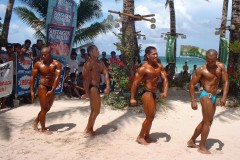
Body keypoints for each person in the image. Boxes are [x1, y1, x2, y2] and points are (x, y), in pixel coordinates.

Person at [187, 49, 229, 154]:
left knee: (207, 121)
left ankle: (192, 141)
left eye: (213, 61)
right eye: (208, 60)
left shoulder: (221, 67)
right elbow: (191, 84)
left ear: (216, 58)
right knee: (207, 122)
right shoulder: (202, 70)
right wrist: (193, 100)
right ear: (206, 59)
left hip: (214, 97)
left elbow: (226, 81)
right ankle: (201, 146)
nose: (210, 63)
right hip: (206, 96)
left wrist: (224, 97)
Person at [130, 46, 168, 145]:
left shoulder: (159, 66)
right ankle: (140, 136)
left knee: (151, 116)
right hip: (146, 92)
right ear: (147, 56)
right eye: (153, 54)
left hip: (153, 93)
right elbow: (135, 83)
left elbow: (165, 79)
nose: (156, 55)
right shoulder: (143, 68)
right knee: (150, 116)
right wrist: (132, 98)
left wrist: (165, 91)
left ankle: (146, 136)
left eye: (156, 54)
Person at [30, 47, 62, 135]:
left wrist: (52, 90)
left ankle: (36, 121)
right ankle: (43, 128)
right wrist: (32, 91)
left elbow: (57, 77)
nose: (43, 56)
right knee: (43, 108)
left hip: (51, 87)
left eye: (45, 55)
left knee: (47, 108)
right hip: (42, 86)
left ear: (49, 54)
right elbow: (32, 78)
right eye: (42, 55)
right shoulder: (38, 64)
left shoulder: (56, 64)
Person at [81, 45, 110, 137]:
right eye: (96, 50)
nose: (98, 51)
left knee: (94, 110)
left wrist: (108, 86)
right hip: (92, 87)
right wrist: (86, 93)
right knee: (96, 111)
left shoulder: (100, 62)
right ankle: (87, 130)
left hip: (96, 87)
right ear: (90, 52)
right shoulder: (88, 63)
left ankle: (90, 129)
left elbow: (105, 73)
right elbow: (85, 79)